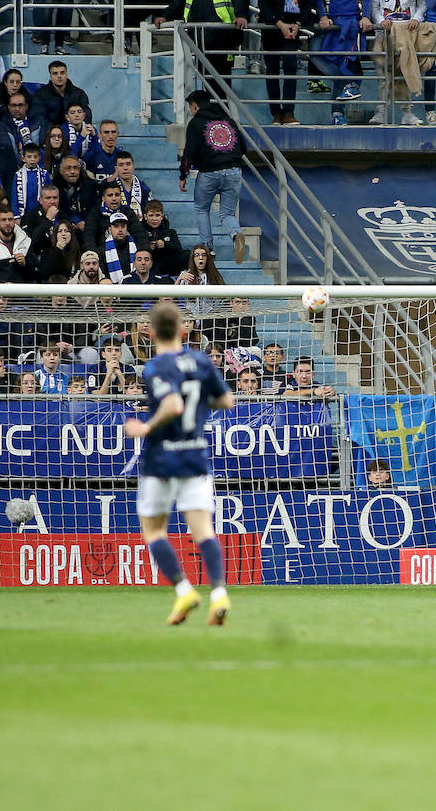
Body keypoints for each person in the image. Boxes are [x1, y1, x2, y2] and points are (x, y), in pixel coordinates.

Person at [125, 300, 238, 625]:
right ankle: (219, 593)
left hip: (161, 459)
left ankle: (185, 590)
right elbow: (227, 401)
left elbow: (173, 403)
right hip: (195, 456)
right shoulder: (202, 360)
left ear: (148, 332)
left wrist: (145, 427)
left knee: (154, 530)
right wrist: (201, 401)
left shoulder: (156, 367)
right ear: (184, 329)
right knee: (203, 529)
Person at [180, 90, 248, 263]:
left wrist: (183, 175)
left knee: (202, 209)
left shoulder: (196, 123)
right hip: (233, 170)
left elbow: (189, 152)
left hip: (209, 172)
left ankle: (207, 249)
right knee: (227, 214)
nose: (191, 110)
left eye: (190, 107)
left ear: (195, 105)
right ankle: (235, 234)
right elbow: (244, 148)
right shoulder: (228, 121)